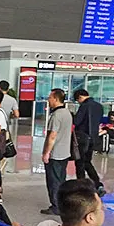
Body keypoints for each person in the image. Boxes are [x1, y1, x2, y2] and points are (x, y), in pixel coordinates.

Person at [41, 88, 73, 216]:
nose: (48, 100)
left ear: (55, 99)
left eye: (50, 97)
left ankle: (56, 207)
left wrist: (46, 153)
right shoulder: (67, 113)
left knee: (53, 181)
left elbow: (52, 136)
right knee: (61, 180)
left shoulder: (56, 115)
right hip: (65, 152)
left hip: (55, 153)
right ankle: (62, 204)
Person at [73, 89, 106, 197]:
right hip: (93, 138)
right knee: (87, 162)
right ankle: (98, 184)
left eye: (78, 100)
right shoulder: (99, 106)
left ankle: (81, 188)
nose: (79, 102)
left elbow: (77, 121)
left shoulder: (84, 106)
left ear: (80, 97)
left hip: (83, 138)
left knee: (80, 163)